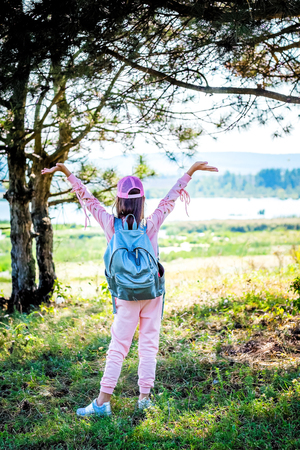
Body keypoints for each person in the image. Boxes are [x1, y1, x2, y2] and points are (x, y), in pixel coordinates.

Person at [41, 160, 218, 417]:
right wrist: (189, 172)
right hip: (152, 293)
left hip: (125, 296)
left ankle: (102, 403)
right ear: (141, 201)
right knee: (149, 345)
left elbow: (88, 200)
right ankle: (144, 399)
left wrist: (67, 173)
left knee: (118, 348)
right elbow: (170, 199)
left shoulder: (111, 225)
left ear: (119, 200)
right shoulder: (151, 224)